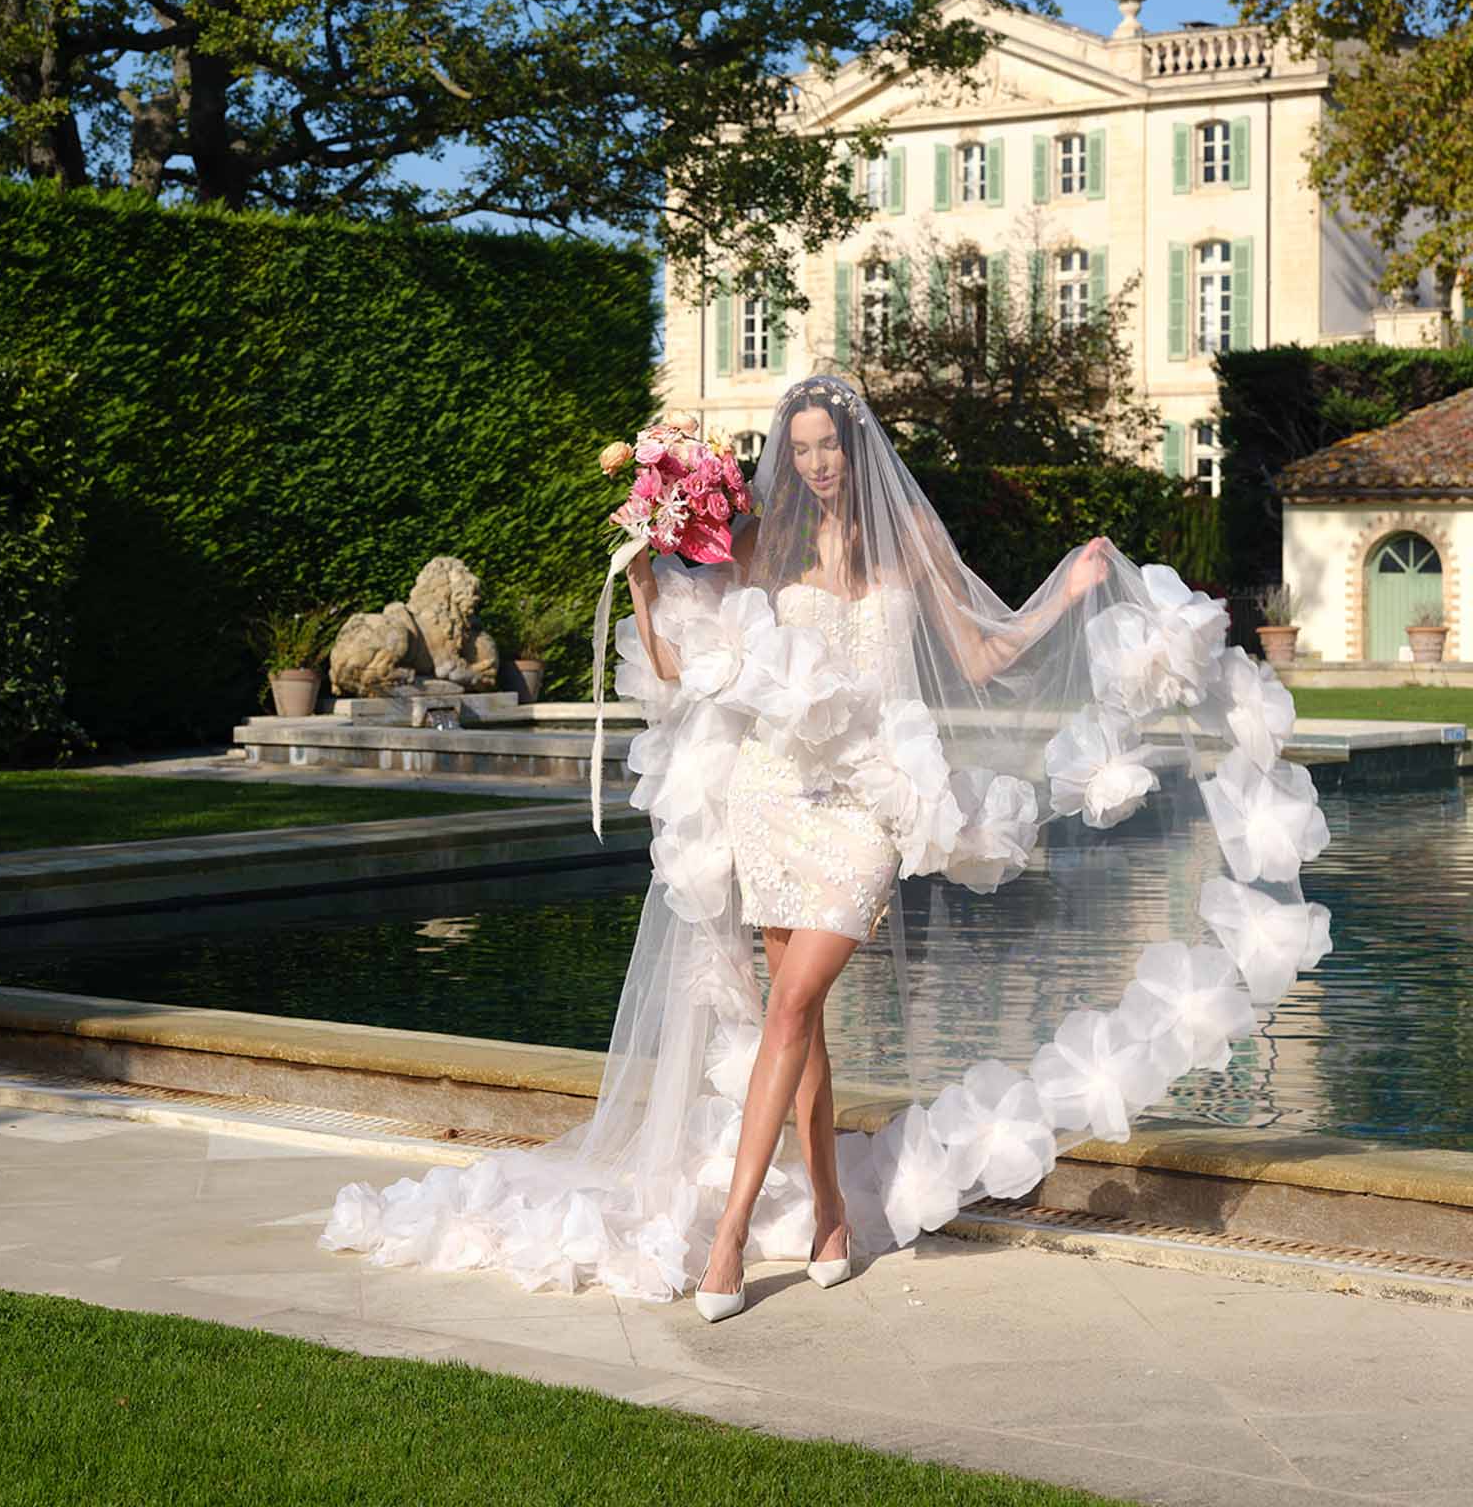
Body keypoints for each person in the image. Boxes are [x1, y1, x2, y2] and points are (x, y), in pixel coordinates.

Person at [321, 375, 1330, 1316]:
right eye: (797, 447)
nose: (814, 462)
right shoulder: (761, 545)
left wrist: (1066, 595)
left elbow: (985, 651)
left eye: (826, 444)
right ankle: (833, 1216)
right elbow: (682, 665)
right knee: (793, 1023)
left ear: (854, 444)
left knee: (795, 1005)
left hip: (870, 807)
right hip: (769, 793)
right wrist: (640, 576)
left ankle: (727, 1238)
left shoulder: (910, 546)